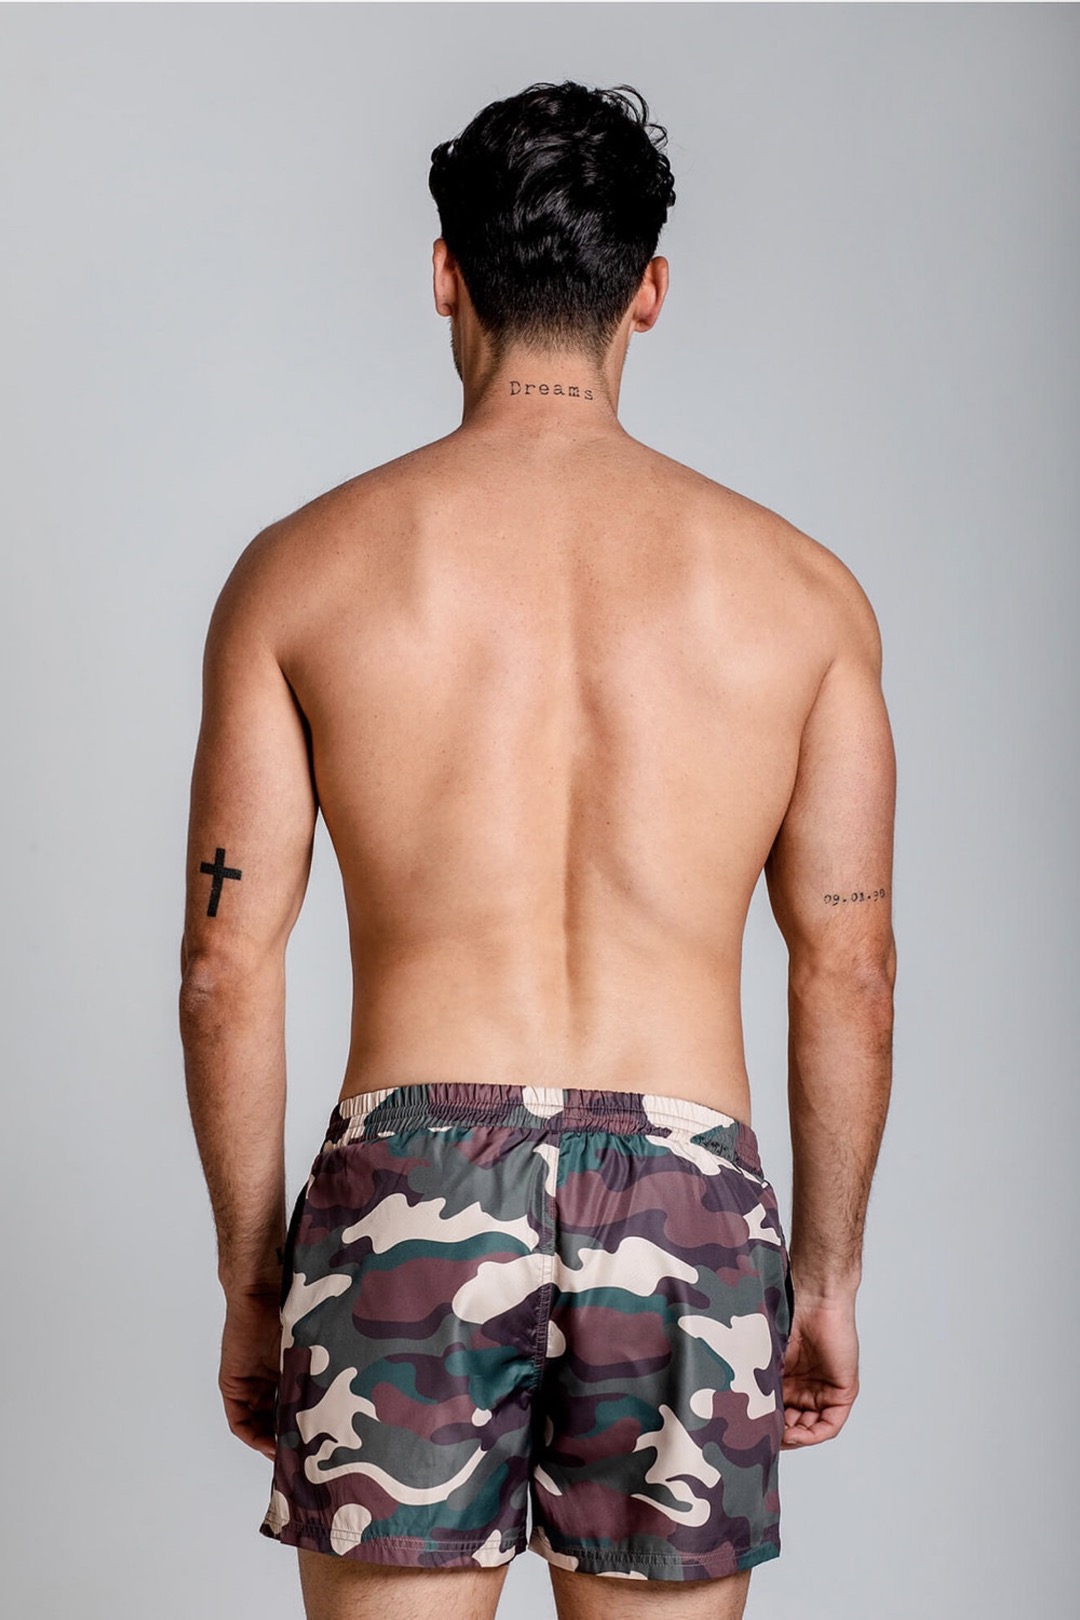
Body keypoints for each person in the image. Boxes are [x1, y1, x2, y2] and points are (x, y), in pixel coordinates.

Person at [179, 78, 896, 1620]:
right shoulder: (802, 596)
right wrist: (827, 1276)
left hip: (406, 1183)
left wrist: (253, 1281)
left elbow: (224, 968)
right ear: (649, 290)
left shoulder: (301, 575)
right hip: (689, 1200)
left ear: (447, 274)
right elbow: (849, 967)